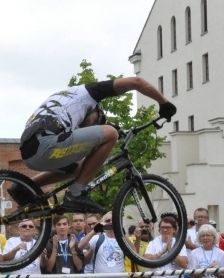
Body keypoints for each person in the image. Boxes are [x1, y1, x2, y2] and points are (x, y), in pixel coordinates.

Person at [16, 77, 176, 213]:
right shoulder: (90, 93)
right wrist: (164, 103)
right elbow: (136, 81)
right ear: (96, 110)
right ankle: (76, 194)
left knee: (80, 169)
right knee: (110, 133)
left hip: (30, 151)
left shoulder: (65, 100)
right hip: (46, 143)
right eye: (96, 121)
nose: (89, 128)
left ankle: (25, 187)